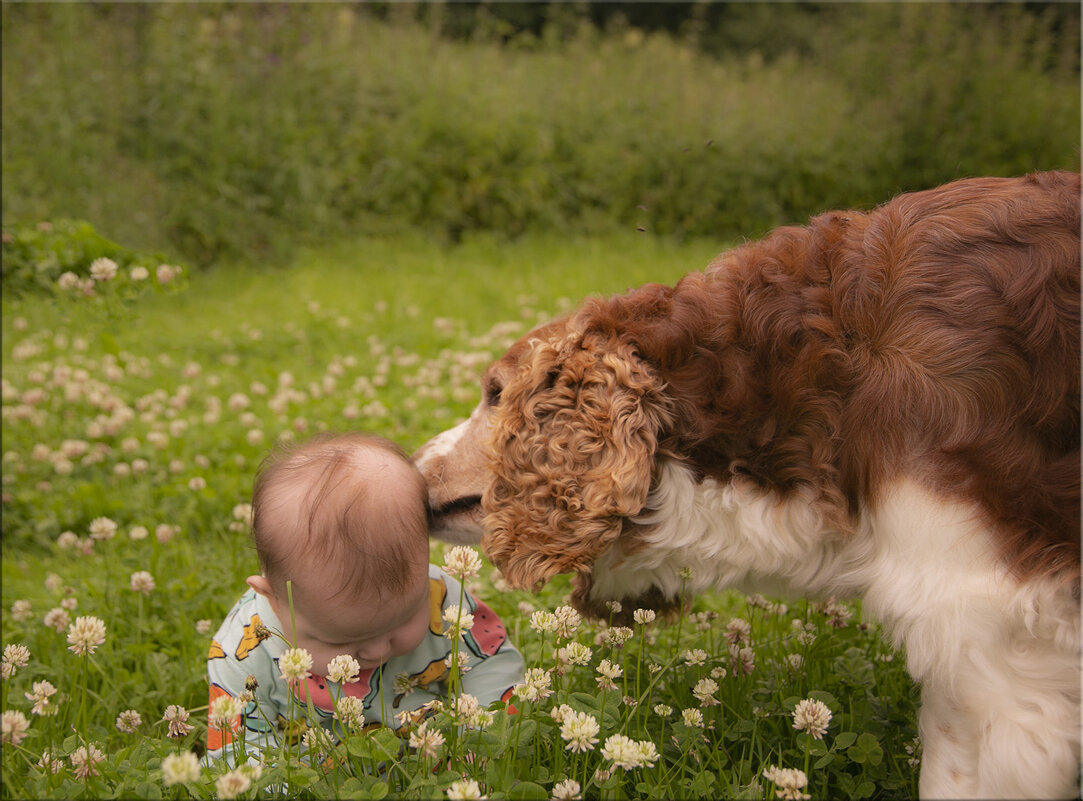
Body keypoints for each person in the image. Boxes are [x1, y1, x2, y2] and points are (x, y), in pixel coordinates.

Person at [206, 432, 524, 765]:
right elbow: (234, 752)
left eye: (401, 621)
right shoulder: (243, 652)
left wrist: (483, 737)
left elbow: (490, 660)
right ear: (274, 599)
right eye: (342, 641)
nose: (375, 652)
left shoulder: (440, 597)